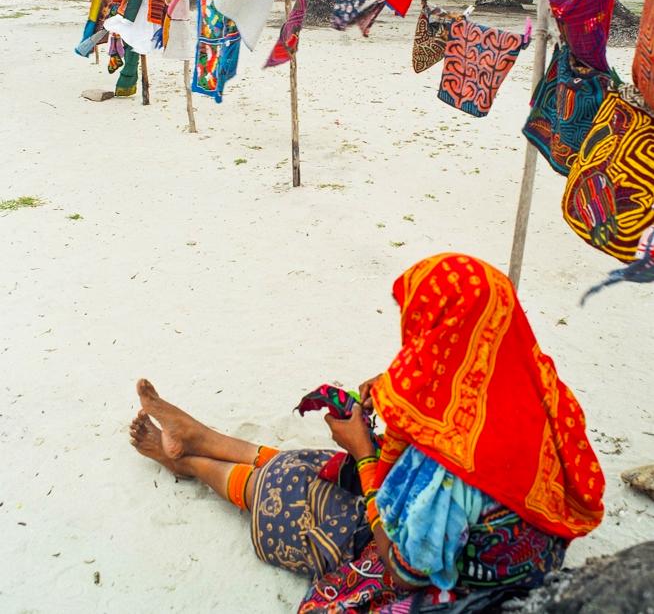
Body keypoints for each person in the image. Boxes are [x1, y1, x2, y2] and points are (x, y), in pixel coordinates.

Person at [130, 253, 605, 611]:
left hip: (457, 578)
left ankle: (186, 461)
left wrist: (363, 453)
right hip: (520, 547)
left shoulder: (449, 471)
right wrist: (388, 393)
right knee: (318, 465)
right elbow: (459, 398)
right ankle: (197, 436)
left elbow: (404, 570)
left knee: (290, 489)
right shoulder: (537, 383)